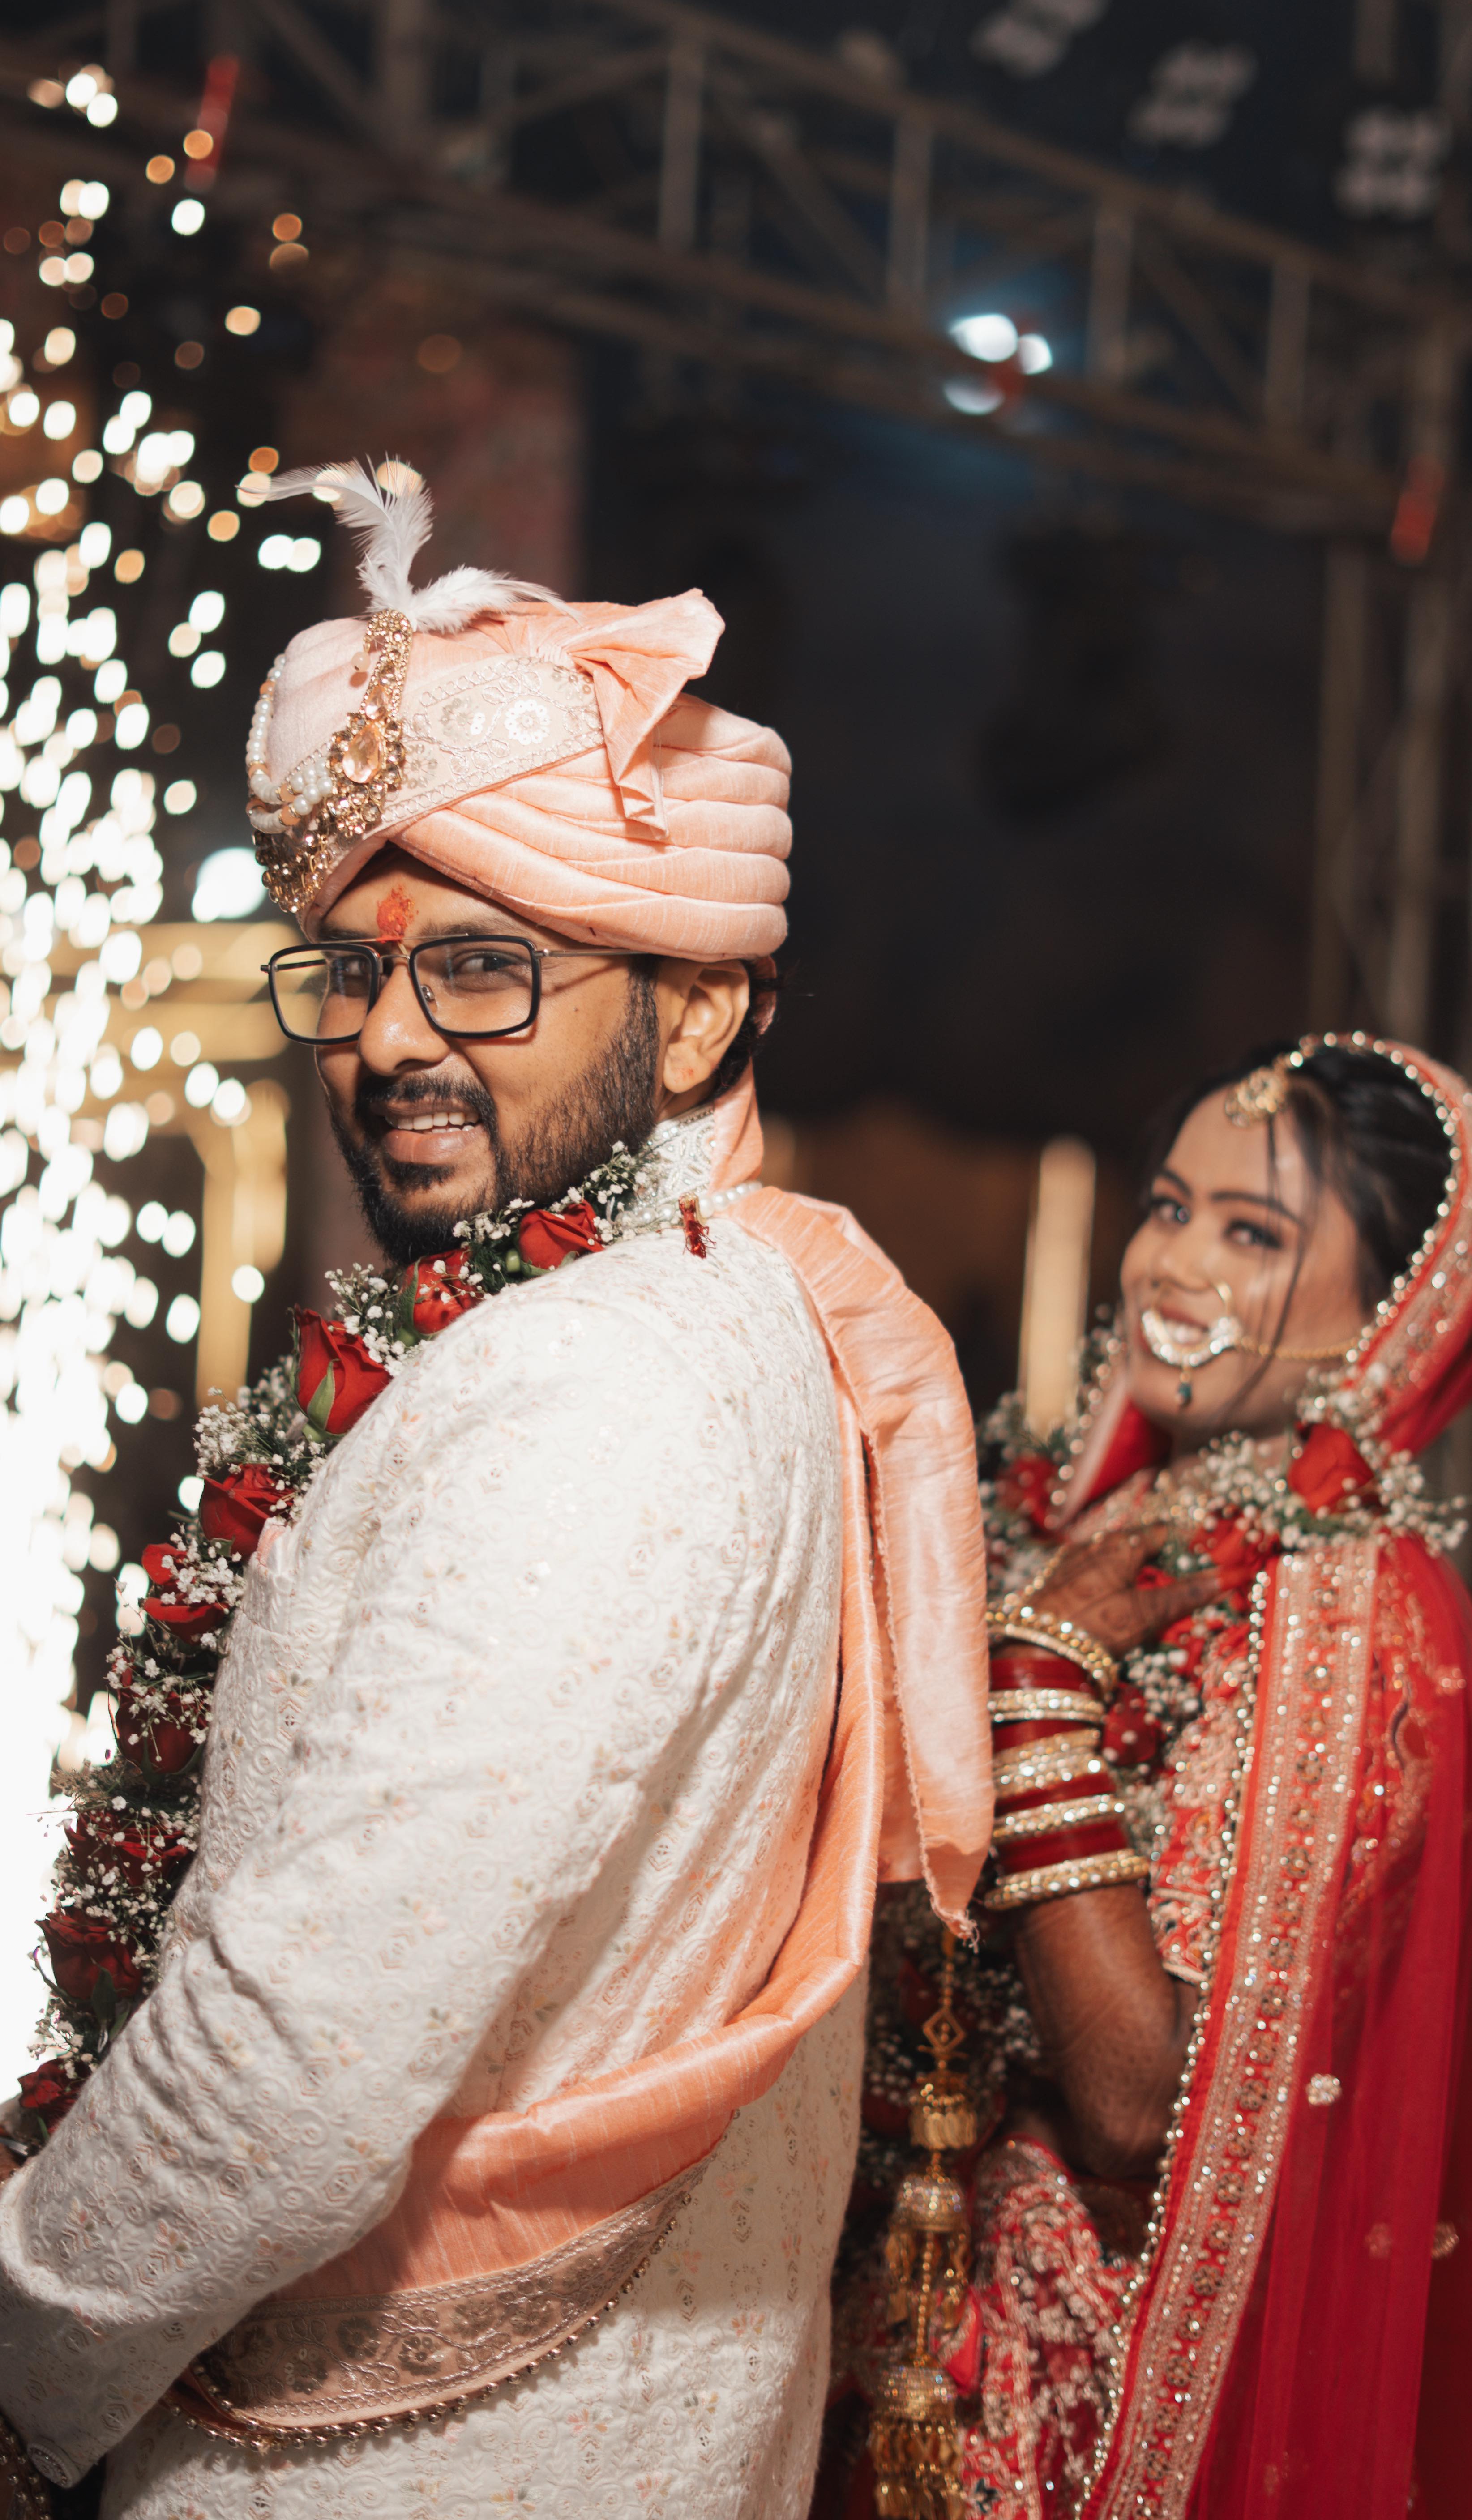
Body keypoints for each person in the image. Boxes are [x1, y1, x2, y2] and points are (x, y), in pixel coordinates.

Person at [0, 464, 991, 2518]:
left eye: (480, 969)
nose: (387, 1040)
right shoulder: (686, 1310)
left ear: (696, 1011)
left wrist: (24, 2354)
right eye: (353, 974)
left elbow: (303, 2043)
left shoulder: (598, 1381)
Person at [823, 1034, 1472, 2520]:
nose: (1173, 1263)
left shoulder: (1357, 1626)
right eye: (1171, 1207)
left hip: (1084, 2411)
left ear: (1391, 1319)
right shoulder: (1089, 1529)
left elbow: (1135, 2102)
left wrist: (1037, 1695)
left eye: (1253, 1234)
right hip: (896, 2307)